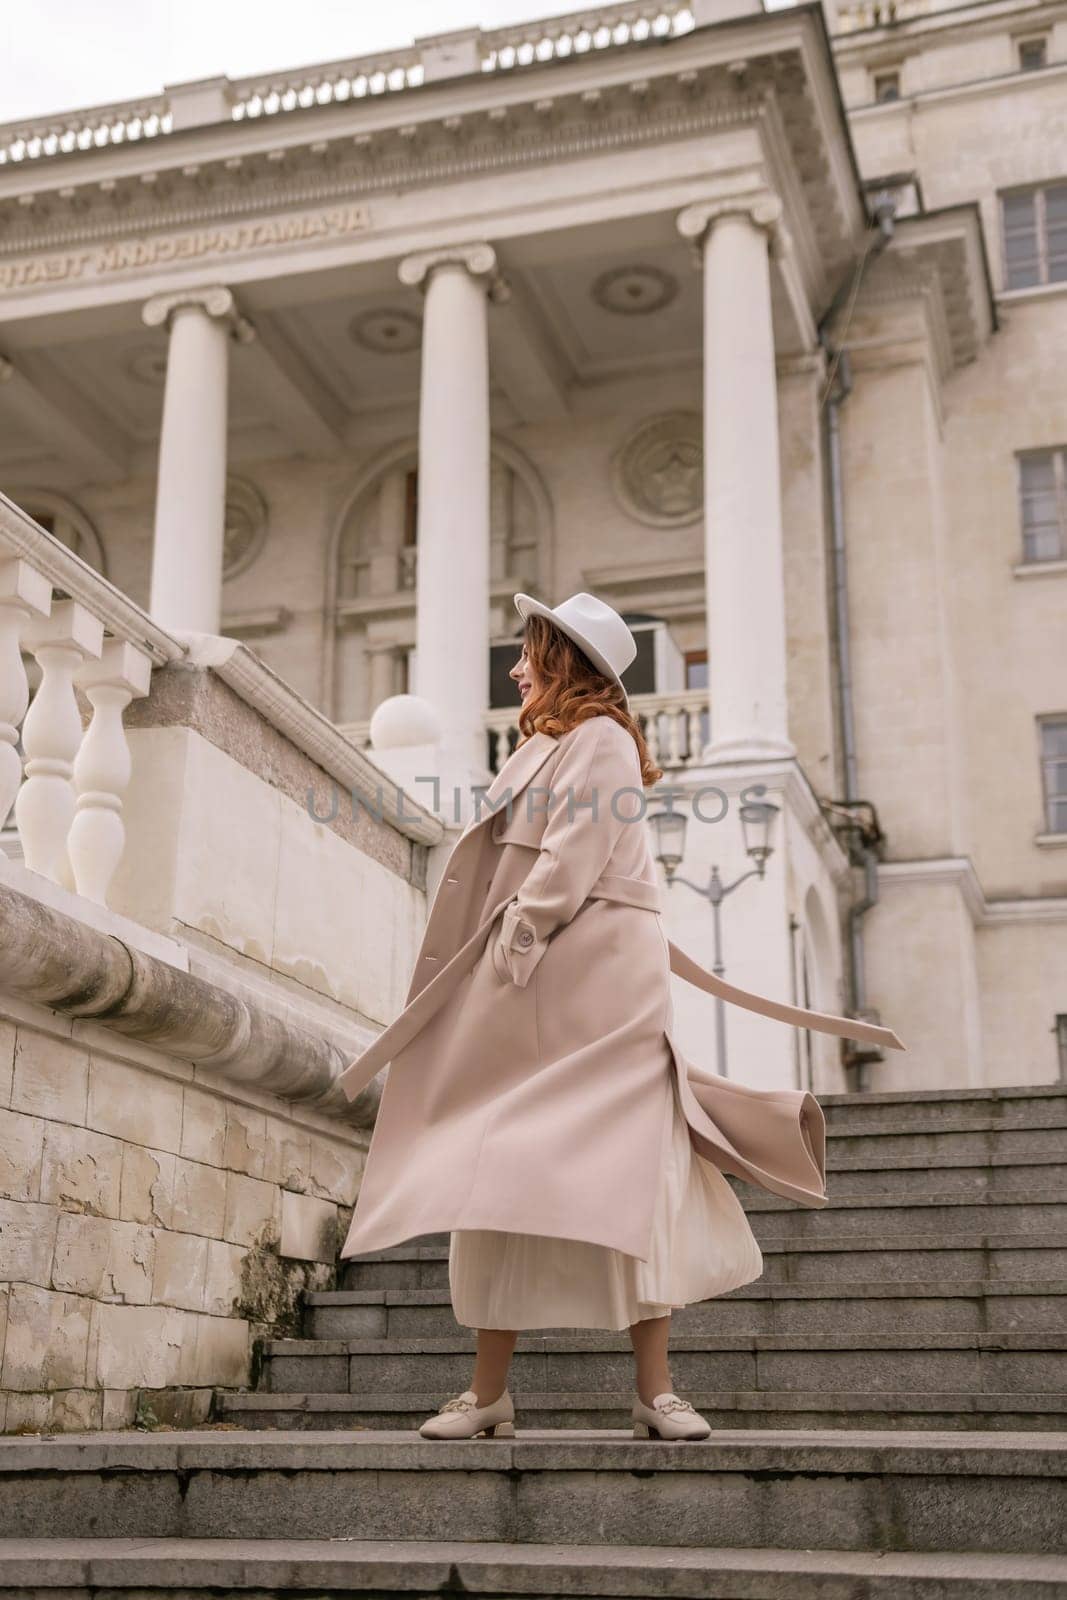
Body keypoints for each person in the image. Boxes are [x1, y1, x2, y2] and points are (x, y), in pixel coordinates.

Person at [335, 591, 906, 1443]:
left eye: (530, 653)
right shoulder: (541, 746)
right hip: (535, 978)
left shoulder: (598, 738)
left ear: (565, 664)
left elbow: (571, 858)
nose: (517, 667)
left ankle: (654, 1392)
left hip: (589, 977)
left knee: (635, 1177)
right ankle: (489, 1395)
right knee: (497, 1175)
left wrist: (518, 939)